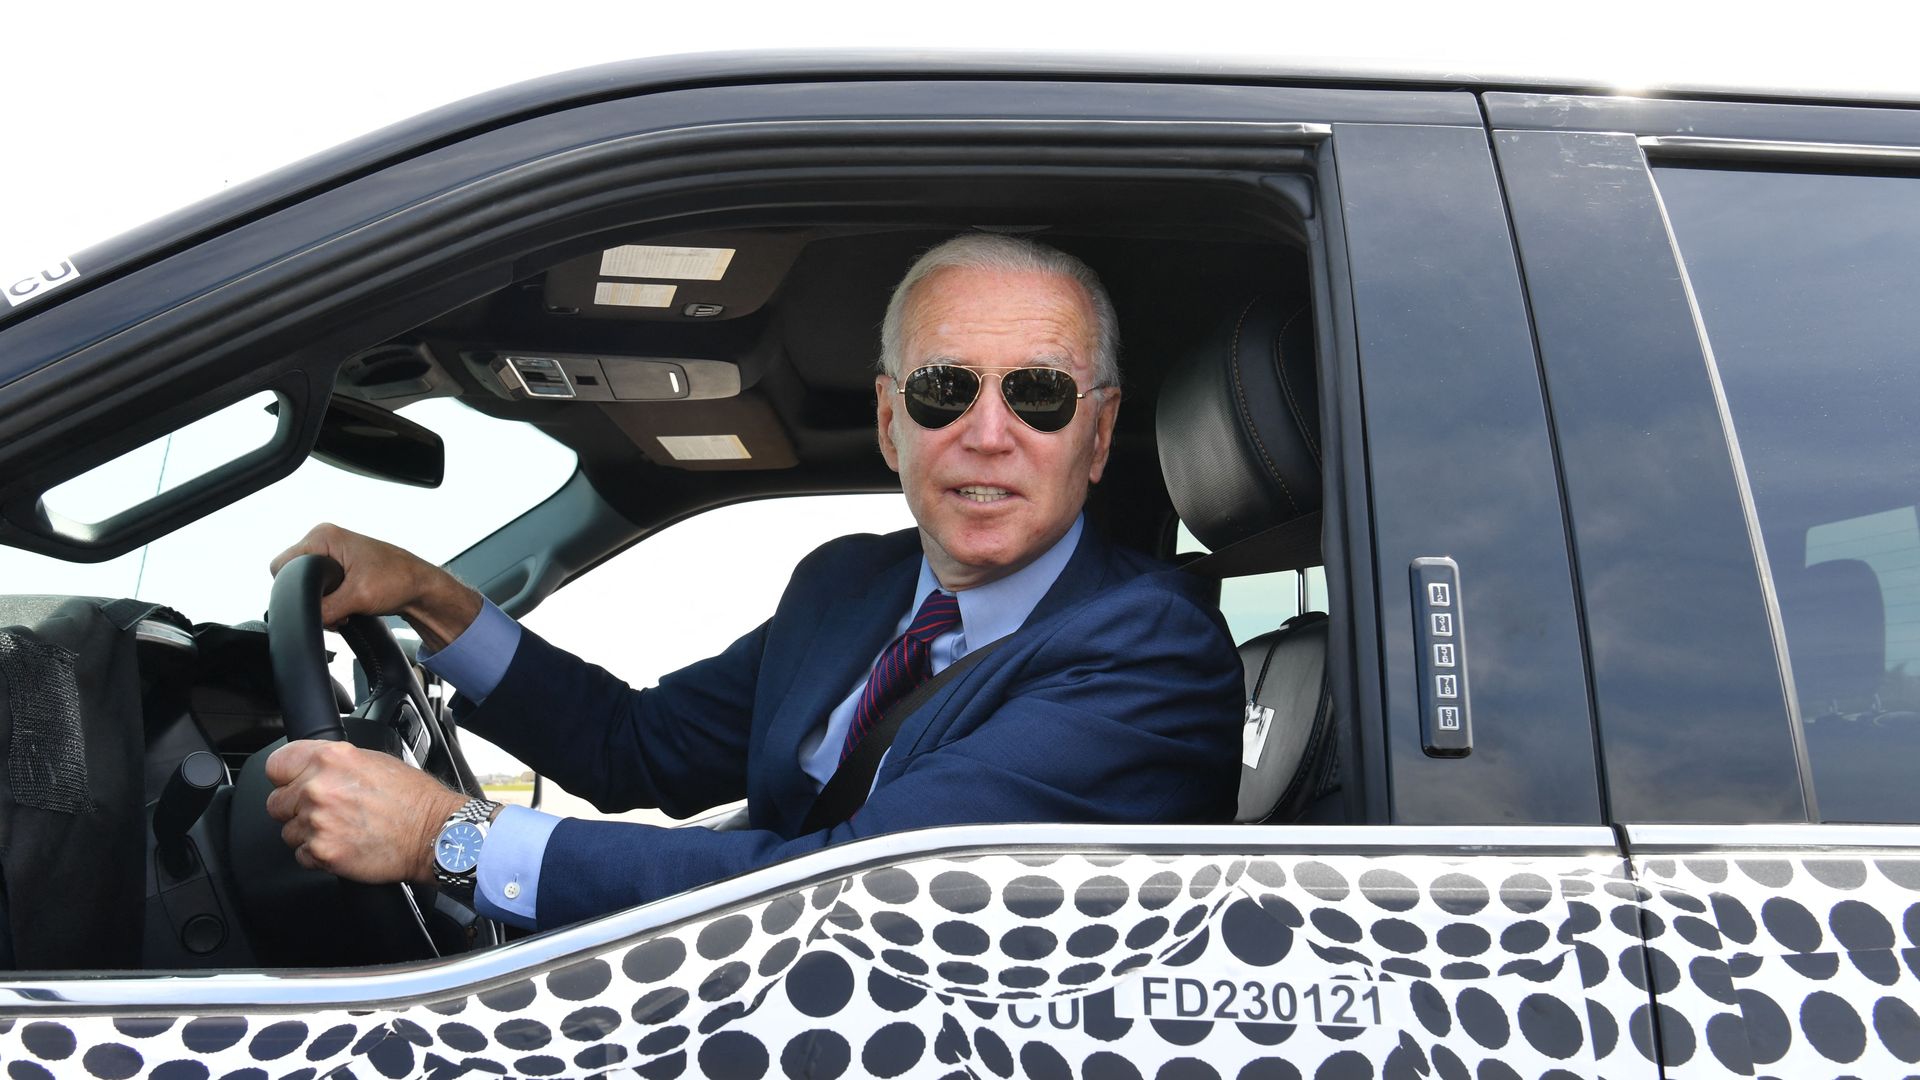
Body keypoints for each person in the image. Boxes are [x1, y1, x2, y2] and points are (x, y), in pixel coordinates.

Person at [264, 233, 1243, 930]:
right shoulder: (848, 588)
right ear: (891, 422)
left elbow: (850, 894)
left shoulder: (1153, 654)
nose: (989, 433)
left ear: (1100, 433)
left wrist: (449, 836)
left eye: (1039, 392)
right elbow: (633, 748)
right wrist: (431, 594)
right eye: (946, 388)